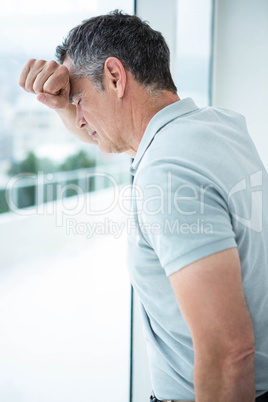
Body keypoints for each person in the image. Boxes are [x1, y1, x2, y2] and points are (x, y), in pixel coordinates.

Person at [19, 10, 268, 402]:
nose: (79, 118)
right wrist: (65, 106)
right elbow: (111, 136)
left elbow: (227, 355)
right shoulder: (216, 126)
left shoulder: (168, 173)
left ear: (116, 77)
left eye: (79, 99)